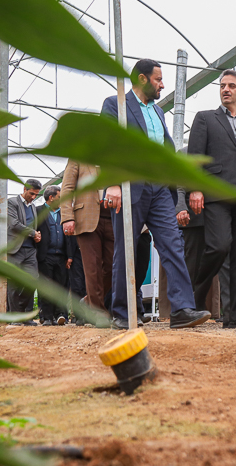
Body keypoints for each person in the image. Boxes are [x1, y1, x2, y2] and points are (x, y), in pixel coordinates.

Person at [101, 58, 210, 330]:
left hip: (159, 188)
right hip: (130, 184)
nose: (162, 85)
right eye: (158, 80)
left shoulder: (158, 112)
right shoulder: (116, 105)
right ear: (142, 78)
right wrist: (112, 183)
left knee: (173, 245)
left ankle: (182, 309)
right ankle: (123, 312)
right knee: (126, 249)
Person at [187, 69, 236, 330]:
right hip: (216, 193)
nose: (225, 89)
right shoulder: (205, 118)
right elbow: (194, 156)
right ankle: (192, 298)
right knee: (219, 246)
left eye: (231, 86)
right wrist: (195, 189)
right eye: (222, 85)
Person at [60, 160, 113, 317]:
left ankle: (88, 301)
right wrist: (67, 217)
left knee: (113, 267)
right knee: (92, 267)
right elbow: (67, 188)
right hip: (86, 217)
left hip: (113, 217)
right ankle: (98, 312)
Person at [6, 179, 42, 324]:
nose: (33, 197)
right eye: (31, 193)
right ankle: (16, 317)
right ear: (25, 189)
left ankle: (22, 314)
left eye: (36, 195)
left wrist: (36, 236)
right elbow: (14, 224)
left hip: (30, 249)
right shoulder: (11, 202)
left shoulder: (32, 207)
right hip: (15, 249)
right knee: (14, 283)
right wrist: (33, 233)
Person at [36, 185, 73, 326]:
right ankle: (47, 317)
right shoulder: (37, 211)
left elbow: (69, 236)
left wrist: (69, 256)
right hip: (45, 256)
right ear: (51, 198)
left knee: (61, 286)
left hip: (62, 256)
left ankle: (61, 315)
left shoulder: (64, 212)